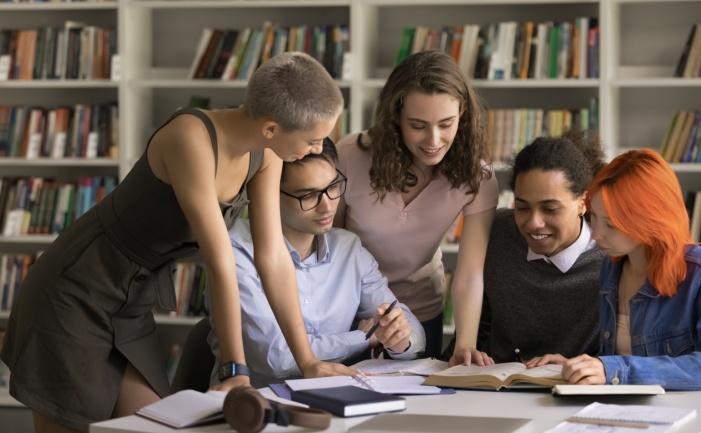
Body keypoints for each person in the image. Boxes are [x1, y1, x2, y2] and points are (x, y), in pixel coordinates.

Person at [0, 52, 350, 433]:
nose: (317, 149)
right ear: (270, 128)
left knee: (157, 428)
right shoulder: (191, 137)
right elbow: (220, 262)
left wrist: (308, 361)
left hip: (130, 304)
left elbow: (273, 257)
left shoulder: (267, 153)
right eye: (314, 140)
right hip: (74, 292)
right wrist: (235, 371)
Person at [207, 138, 425, 384]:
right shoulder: (236, 250)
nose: (328, 205)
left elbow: (411, 328)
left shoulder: (348, 249)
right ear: (266, 192)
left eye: (333, 186)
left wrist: (399, 338)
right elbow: (275, 358)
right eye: (308, 195)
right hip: (257, 405)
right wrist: (361, 338)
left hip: (334, 399)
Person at [530, 149, 701, 390]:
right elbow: (621, 359)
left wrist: (614, 370)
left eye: (611, 224)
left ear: (648, 218)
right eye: (595, 217)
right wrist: (584, 368)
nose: (597, 233)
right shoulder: (612, 269)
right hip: (628, 410)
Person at [334, 50, 498, 364]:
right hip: (351, 313)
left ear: (462, 113)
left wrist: (465, 344)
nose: (434, 140)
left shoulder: (478, 177)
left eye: (446, 124)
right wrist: (353, 314)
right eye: (418, 125)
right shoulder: (349, 155)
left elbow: (470, 273)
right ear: (396, 116)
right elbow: (331, 250)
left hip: (422, 313)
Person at [442, 128, 607, 364]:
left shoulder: (609, 256)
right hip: (495, 386)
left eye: (550, 209)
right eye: (522, 207)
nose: (533, 223)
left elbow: (621, 353)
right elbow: (477, 328)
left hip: (573, 391)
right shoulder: (497, 232)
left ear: (583, 202)